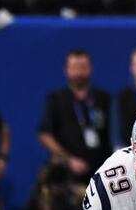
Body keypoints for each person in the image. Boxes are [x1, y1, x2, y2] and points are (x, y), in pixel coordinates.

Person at [39, 49, 111, 183]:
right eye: (74, 68)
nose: (79, 72)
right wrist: (68, 159)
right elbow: (45, 134)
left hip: (101, 170)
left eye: (83, 67)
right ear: (66, 70)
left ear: (90, 69)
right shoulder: (56, 99)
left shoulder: (104, 98)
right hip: (67, 172)